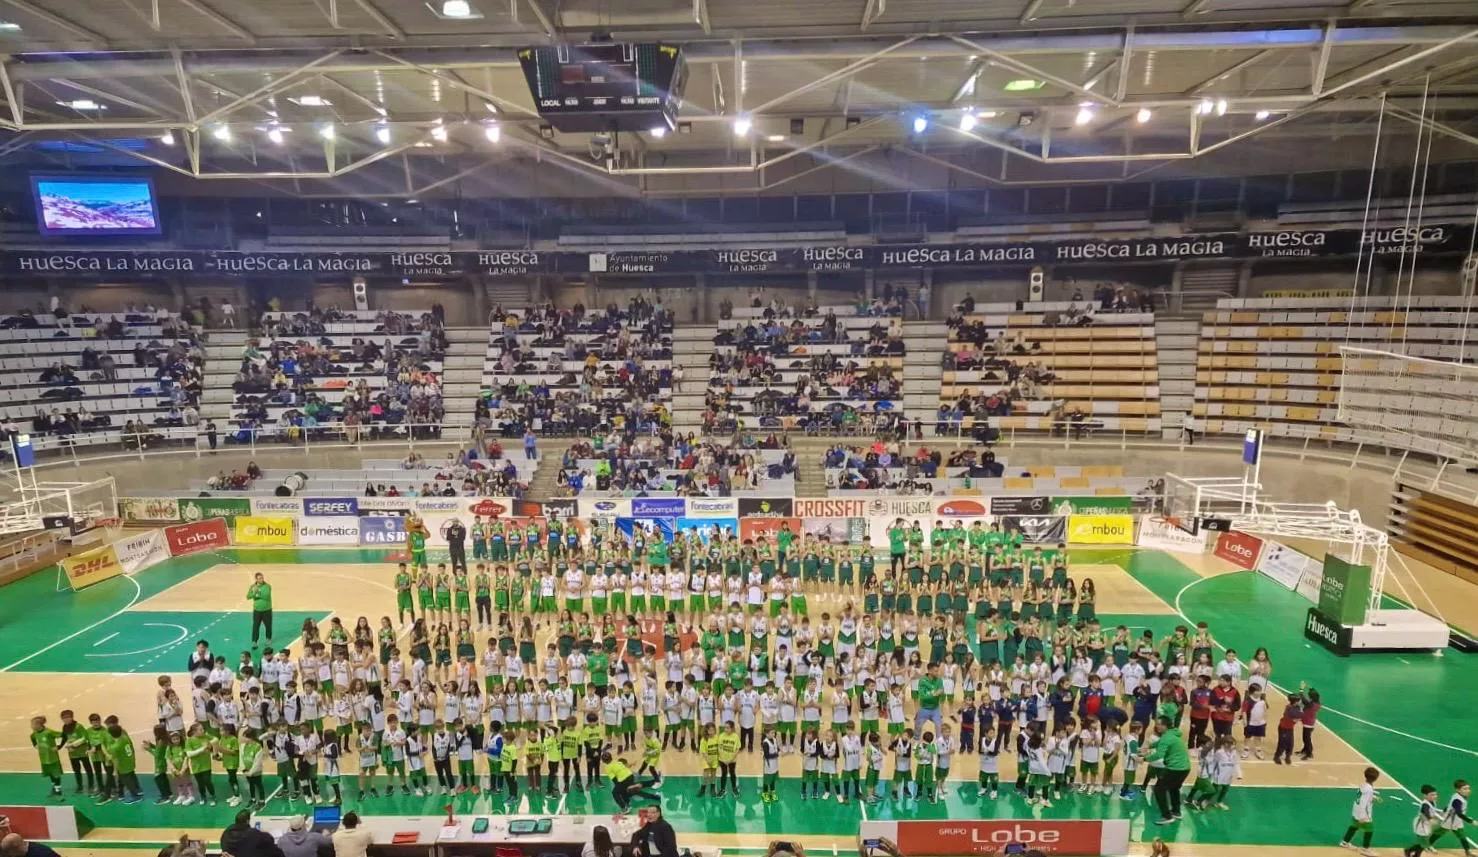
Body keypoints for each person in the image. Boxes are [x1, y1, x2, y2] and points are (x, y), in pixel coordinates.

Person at [1144, 717, 1191, 825]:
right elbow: (1159, 743)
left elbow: (1159, 754)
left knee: (1159, 789)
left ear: (1165, 726)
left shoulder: (1167, 737)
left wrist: (1144, 759)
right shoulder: (1171, 734)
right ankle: (1176, 811)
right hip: (1184, 768)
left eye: (1159, 724)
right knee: (1174, 788)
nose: (1157, 726)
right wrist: (1148, 747)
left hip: (1176, 769)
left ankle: (1167, 816)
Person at [1339, 766, 1381, 857]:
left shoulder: (1364, 785)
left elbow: (1363, 796)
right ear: (1375, 779)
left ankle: (1345, 842)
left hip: (1356, 809)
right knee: (1370, 829)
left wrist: (1373, 797)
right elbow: (1363, 802)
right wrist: (1363, 816)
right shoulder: (1369, 789)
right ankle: (1365, 849)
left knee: (1355, 825)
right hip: (1363, 812)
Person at [220, 810, 284, 857]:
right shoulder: (252, 833)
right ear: (247, 821)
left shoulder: (228, 830)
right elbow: (270, 839)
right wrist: (261, 832)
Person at [247, 573, 273, 649]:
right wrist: (255, 593)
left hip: (267, 610)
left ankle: (268, 638)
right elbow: (248, 596)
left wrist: (256, 593)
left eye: (262, 578)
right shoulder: (252, 587)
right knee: (255, 626)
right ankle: (254, 641)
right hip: (257, 611)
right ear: (256, 579)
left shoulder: (267, 586)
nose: (261, 579)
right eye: (259, 578)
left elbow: (266, 596)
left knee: (268, 625)